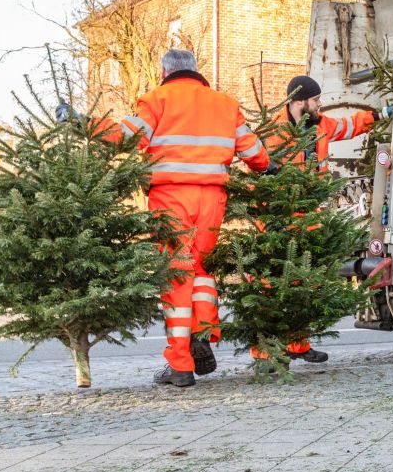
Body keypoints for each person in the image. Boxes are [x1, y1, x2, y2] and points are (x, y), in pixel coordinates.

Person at [94, 49, 271, 387]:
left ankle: (180, 364)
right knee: (203, 268)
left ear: (165, 71)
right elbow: (252, 150)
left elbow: (123, 137)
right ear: (195, 70)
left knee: (176, 273)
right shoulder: (224, 104)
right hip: (212, 199)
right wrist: (268, 165)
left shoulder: (157, 100)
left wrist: (84, 125)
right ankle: (202, 333)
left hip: (171, 198)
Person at [255, 74, 377, 365]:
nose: (320, 104)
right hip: (278, 217)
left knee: (305, 282)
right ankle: (265, 354)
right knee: (269, 286)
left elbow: (349, 126)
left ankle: (299, 345)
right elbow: (257, 169)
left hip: (309, 215)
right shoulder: (274, 132)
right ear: (299, 102)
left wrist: (377, 116)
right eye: (315, 100)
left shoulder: (320, 125)